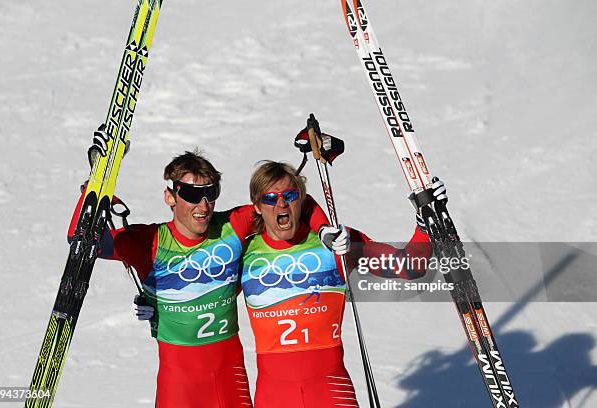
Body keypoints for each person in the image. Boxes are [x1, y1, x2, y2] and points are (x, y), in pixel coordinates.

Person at [69, 128, 332, 408]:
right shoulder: (149, 242)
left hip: (230, 382)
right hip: (179, 389)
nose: (203, 205)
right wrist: (96, 183)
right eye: (193, 194)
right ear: (170, 197)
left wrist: (324, 228)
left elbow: (288, 197)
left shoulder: (233, 226)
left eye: (210, 193)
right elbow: (81, 240)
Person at [240, 161, 443, 408]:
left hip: (331, 391)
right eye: (270, 198)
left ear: (301, 201)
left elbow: (409, 266)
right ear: (257, 207)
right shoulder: (244, 253)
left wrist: (425, 226)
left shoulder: (336, 243)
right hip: (273, 397)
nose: (281, 204)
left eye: (290, 195)